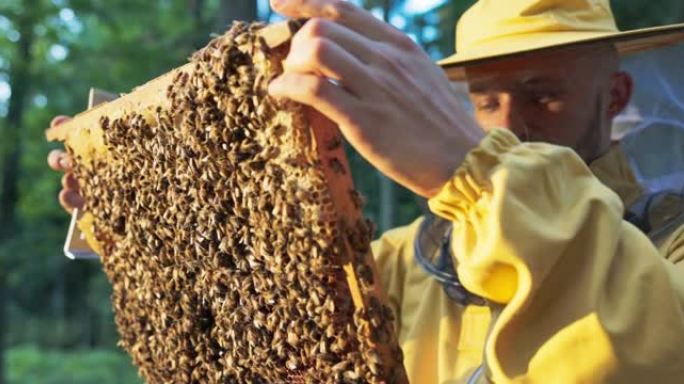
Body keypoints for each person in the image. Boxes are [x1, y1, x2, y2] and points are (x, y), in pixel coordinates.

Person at [47, 0, 684, 382]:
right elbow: (273, 343)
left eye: (546, 95)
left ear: (615, 95)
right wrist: (151, 227)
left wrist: (481, 171)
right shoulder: (404, 259)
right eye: (485, 100)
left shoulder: (668, 248)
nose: (511, 125)